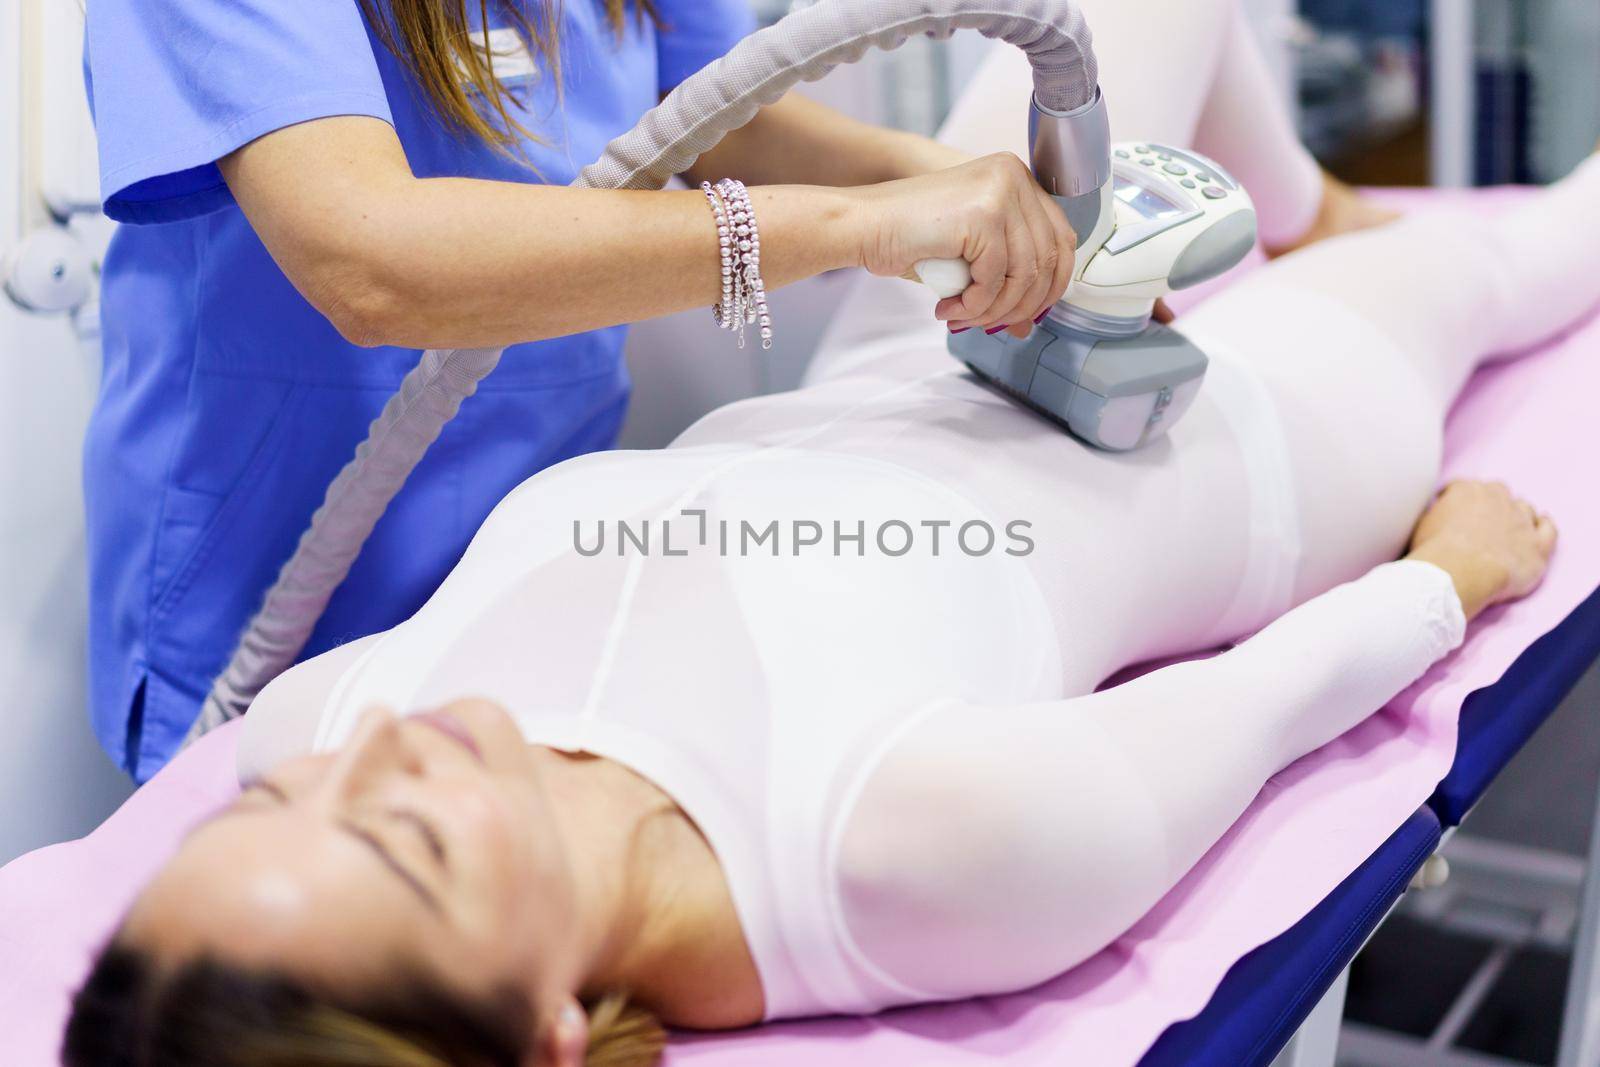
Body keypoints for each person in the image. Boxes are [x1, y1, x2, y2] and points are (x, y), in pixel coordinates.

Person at [67, 2, 1595, 1066]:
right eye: (400, 842)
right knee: (1507, 269)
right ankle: (1349, 243)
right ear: (546, 1028)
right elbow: (1265, 708)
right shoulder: (910, 854)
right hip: (1199, 447)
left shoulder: (320, 718)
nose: (375, 762)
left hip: (902, 362)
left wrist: (944, 195)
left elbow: (716, 109)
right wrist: (1443, 580)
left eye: (273, 812)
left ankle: (1310, 201)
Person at [84, 0, 1113, 781]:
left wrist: (969, 193)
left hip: (521, 560)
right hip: (277, 573)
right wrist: (861, 224)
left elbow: (716, 114)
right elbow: (369, 258)